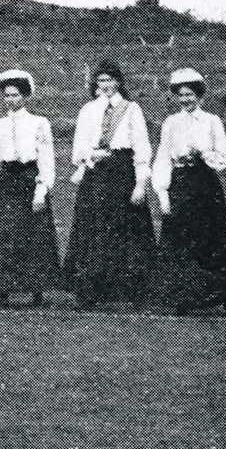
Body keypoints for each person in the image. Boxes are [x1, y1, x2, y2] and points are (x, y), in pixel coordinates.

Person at [150, 68, 226, 316]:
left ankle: (225, 296)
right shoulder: (170, 123)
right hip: (181, 183)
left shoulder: (212, 121)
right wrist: (162, 193)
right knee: (183, 239)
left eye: (190, 94)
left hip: (205, 183)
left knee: (212, 238)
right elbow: (163, 158)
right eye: (181, 95)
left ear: (200, 95)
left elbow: (223, 157)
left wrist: (204, 154)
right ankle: (184, 297)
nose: (186, 100)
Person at [63, 60, 155, 307]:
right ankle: (89, 292)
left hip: (122, 173)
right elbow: (78, 148)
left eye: (109, 80)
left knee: (125, 230)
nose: (105, 85)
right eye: (100, 80)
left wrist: (140, 184)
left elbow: (142, 147)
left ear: (118, 82)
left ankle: (128, 292)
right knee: (92, 230)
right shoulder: (88, 110)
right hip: (96, 175)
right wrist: (91, 154)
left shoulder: (132, 109)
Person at [0, 68, 63, 307]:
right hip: (6, 182)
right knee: (5, 233)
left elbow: (46, 158)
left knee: (33, 235)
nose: (11, 99)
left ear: (24, 96)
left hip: (28, 179)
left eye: (15, 95)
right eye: (7, 95)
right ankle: (3, 289)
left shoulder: (39, 123)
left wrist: (41, 191)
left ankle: (36, 289)